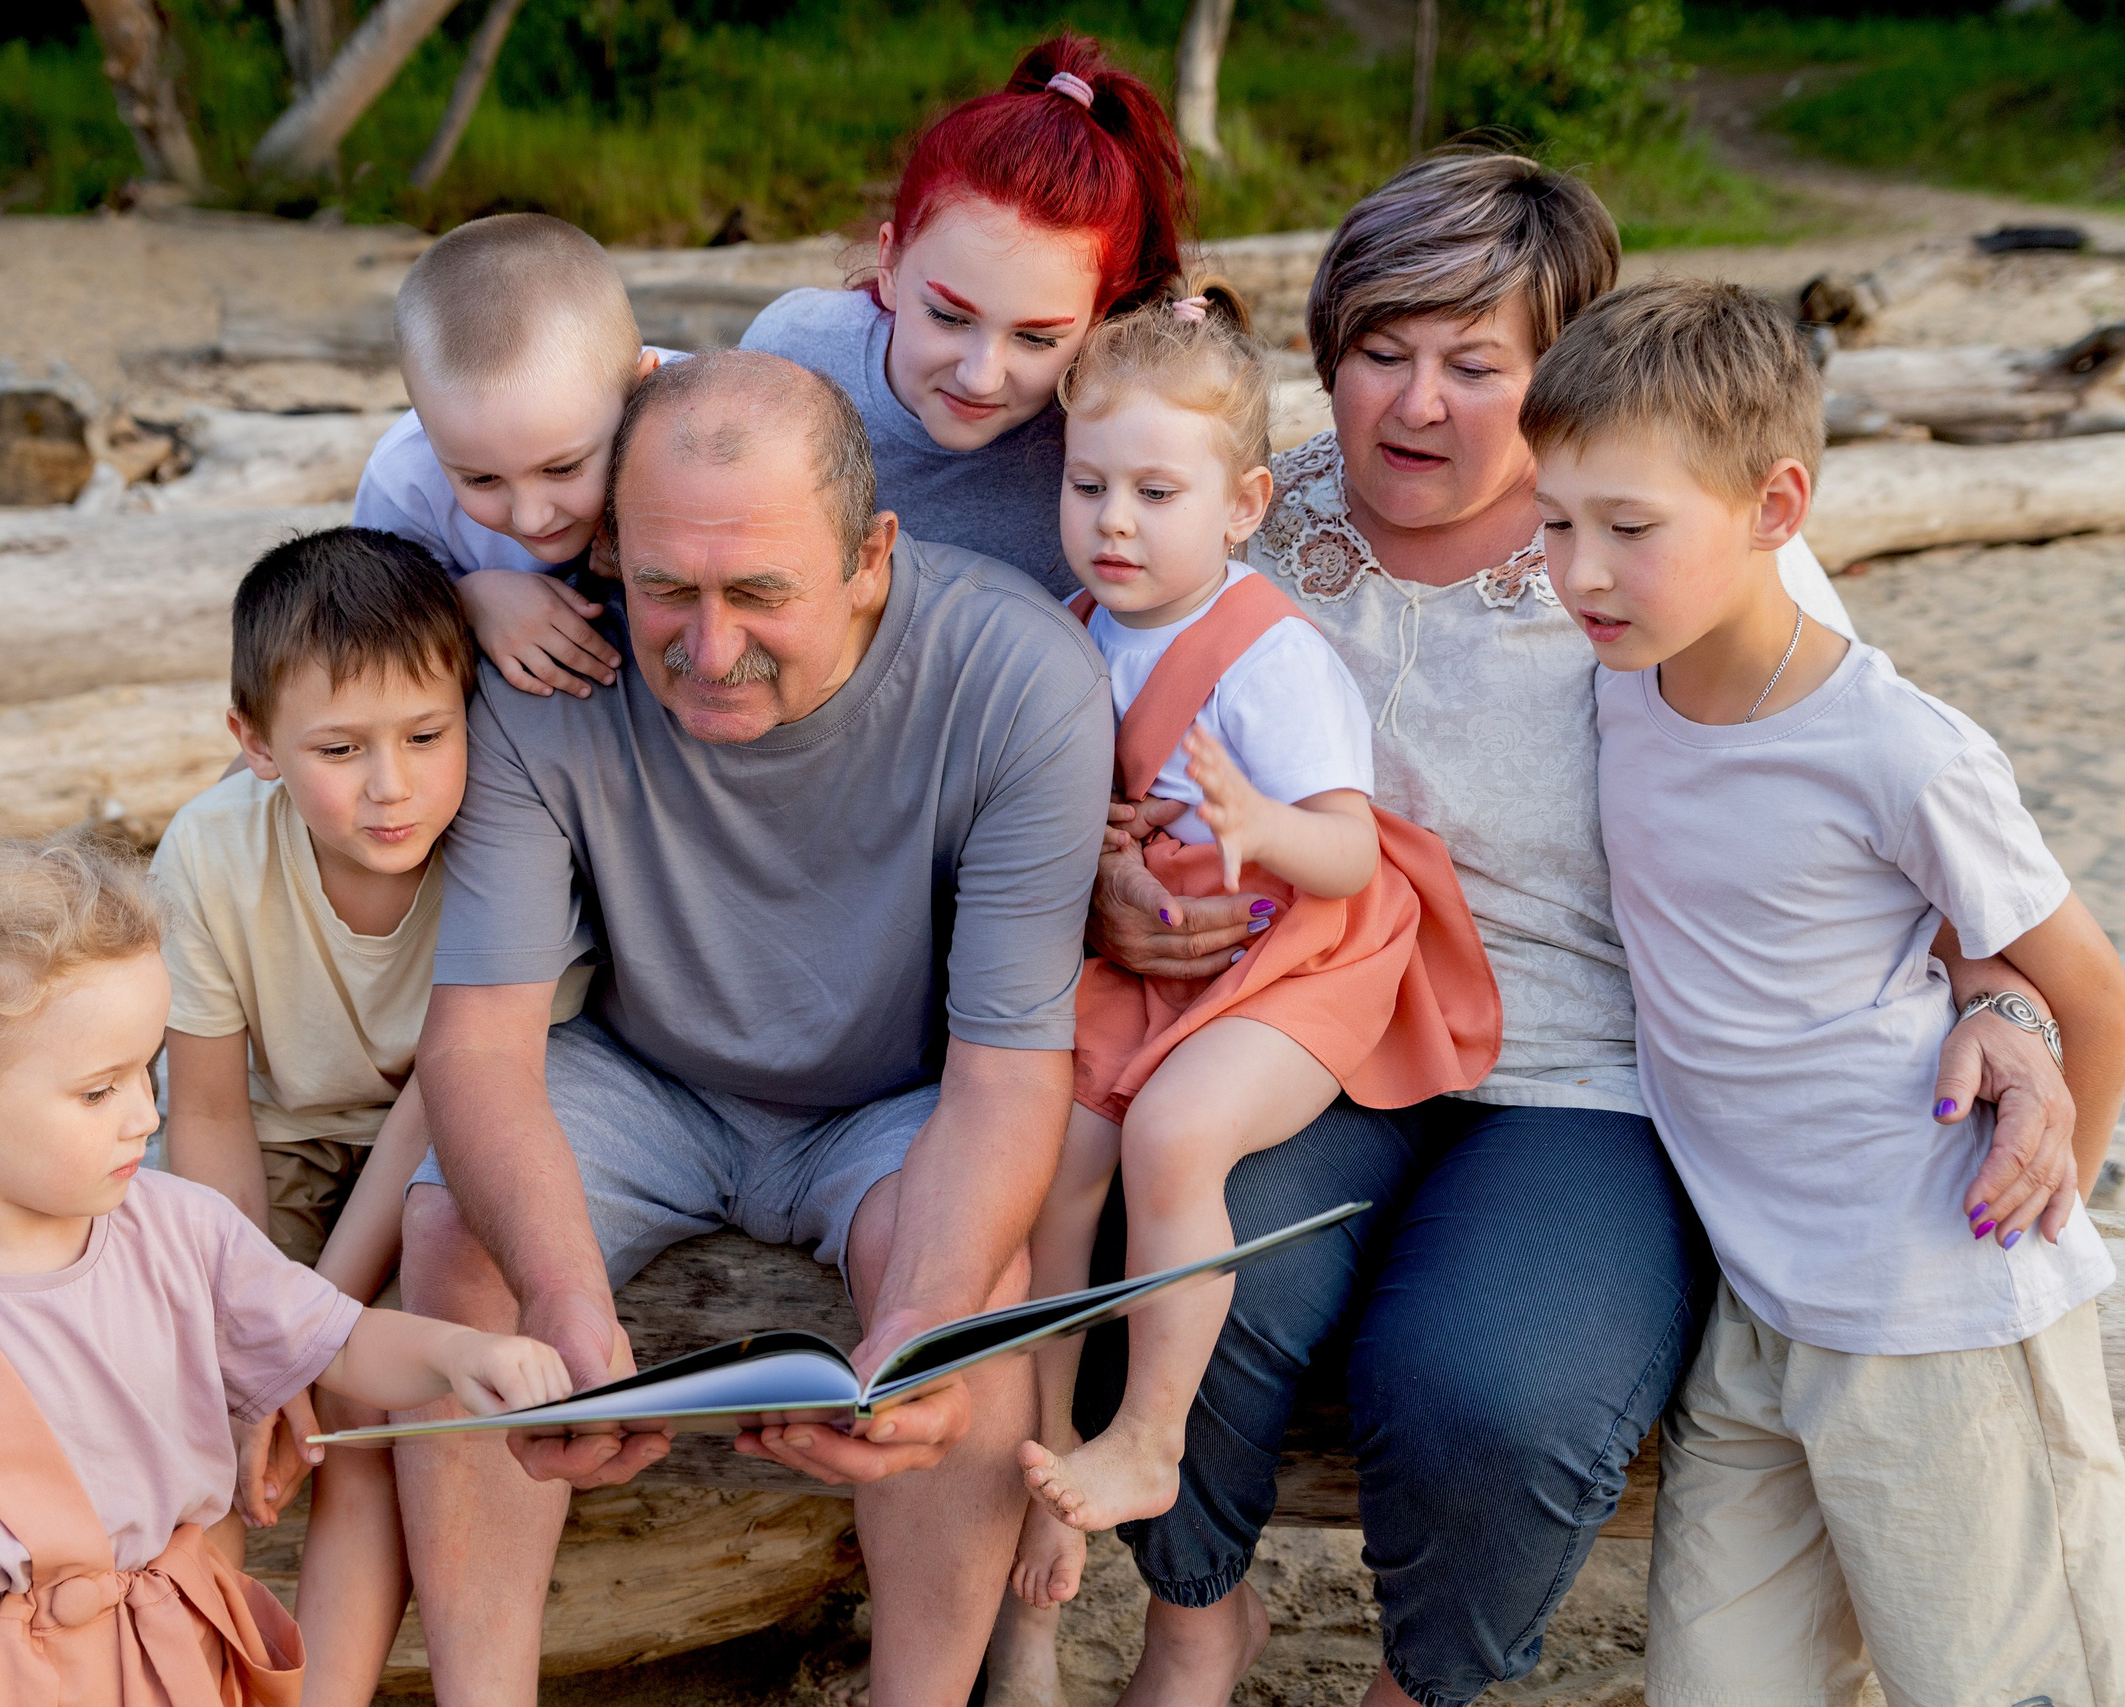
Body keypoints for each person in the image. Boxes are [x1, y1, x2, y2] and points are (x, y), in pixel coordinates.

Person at [1005, 150, 2086, 1707]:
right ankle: (1195, 1612)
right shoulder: (1245, 510)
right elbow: (1108, 718)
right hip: (1306, 1022)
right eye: (1380, 351)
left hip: (1584, 1071)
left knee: (1489, 1393)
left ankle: (1419, 1679)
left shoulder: (1662, 549)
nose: (1417, 404)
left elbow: (1889, 786)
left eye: (1476, 364)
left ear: (1561, 373)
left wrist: (2008, 1007)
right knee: (1212, 1271)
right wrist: (1110, 878)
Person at [390, 346, 1114, 1705]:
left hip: (897, 1090)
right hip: (647, 1070)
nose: (707, 649)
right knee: (455, 1229)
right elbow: (481, 1042)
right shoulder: (550, 675)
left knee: (967, 1294)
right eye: (666, 588)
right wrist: (561, 1292)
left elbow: (1012, 1066)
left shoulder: (1020, 678)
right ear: (613, 545)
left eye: (759, 595)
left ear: (870, 555)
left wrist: (916, 1319)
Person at [1527, 275, 2125, 1703]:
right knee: (1719, 1678)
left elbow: (2091, 988)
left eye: (1629, 528)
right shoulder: (1626, 676)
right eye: (1556, 521)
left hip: (1934, 1305)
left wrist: (2056, 1193)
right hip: (1759, 1297)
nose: (1581, 572)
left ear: (1776, 509)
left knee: (1995, 1682)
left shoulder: (1897, 747)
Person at [0, 837, 570, 1707]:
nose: (145, 1115)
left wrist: (459, 1354)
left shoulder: (181, 1230)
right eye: (99, 1089)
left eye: (149, 1071)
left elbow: (342, 1342)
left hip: (174, 1669)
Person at [1008, 287, 1498, 1613]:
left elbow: (1346, 854)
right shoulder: (1069, 630)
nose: (1113, 520)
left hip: (1300, 951)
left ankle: (1153, 1435)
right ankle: (1043, 1422)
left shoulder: (1267, 654)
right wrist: (1103, 856)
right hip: (1155, 943)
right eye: (1089, 482)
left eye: (1155, 492)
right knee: (1054, 1152)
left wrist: (1259, 818)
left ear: (1239, 505)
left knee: (1172, 1133)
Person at [153, 527, 588, 1705]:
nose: (391, 785)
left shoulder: (511, 848)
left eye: (426, 737)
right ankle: (189, 1673)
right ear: (255, 743)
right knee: (195, 1390)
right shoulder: (208, 855)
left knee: (355, 1402)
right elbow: (205, 1120)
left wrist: (318, 1323)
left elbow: (449, 1102)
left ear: (470, 715)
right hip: (272, 1154)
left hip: (432, 1152)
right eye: (340, 749)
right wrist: (249, 1331)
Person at [742, 34, 1187, 598]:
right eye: (949, 317)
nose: (980, 376)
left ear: (1099, 318)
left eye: (1036, 338)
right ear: (890, 262)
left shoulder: (1111, 441)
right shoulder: (787, 355)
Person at [353, 213, 675, 700]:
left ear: (641, 391)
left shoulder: (706, 420)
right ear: (424, 424)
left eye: (562, 468)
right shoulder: (404, 483)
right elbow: (366, 624)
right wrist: (464, 601)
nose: (531, 516)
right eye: (480, 480)